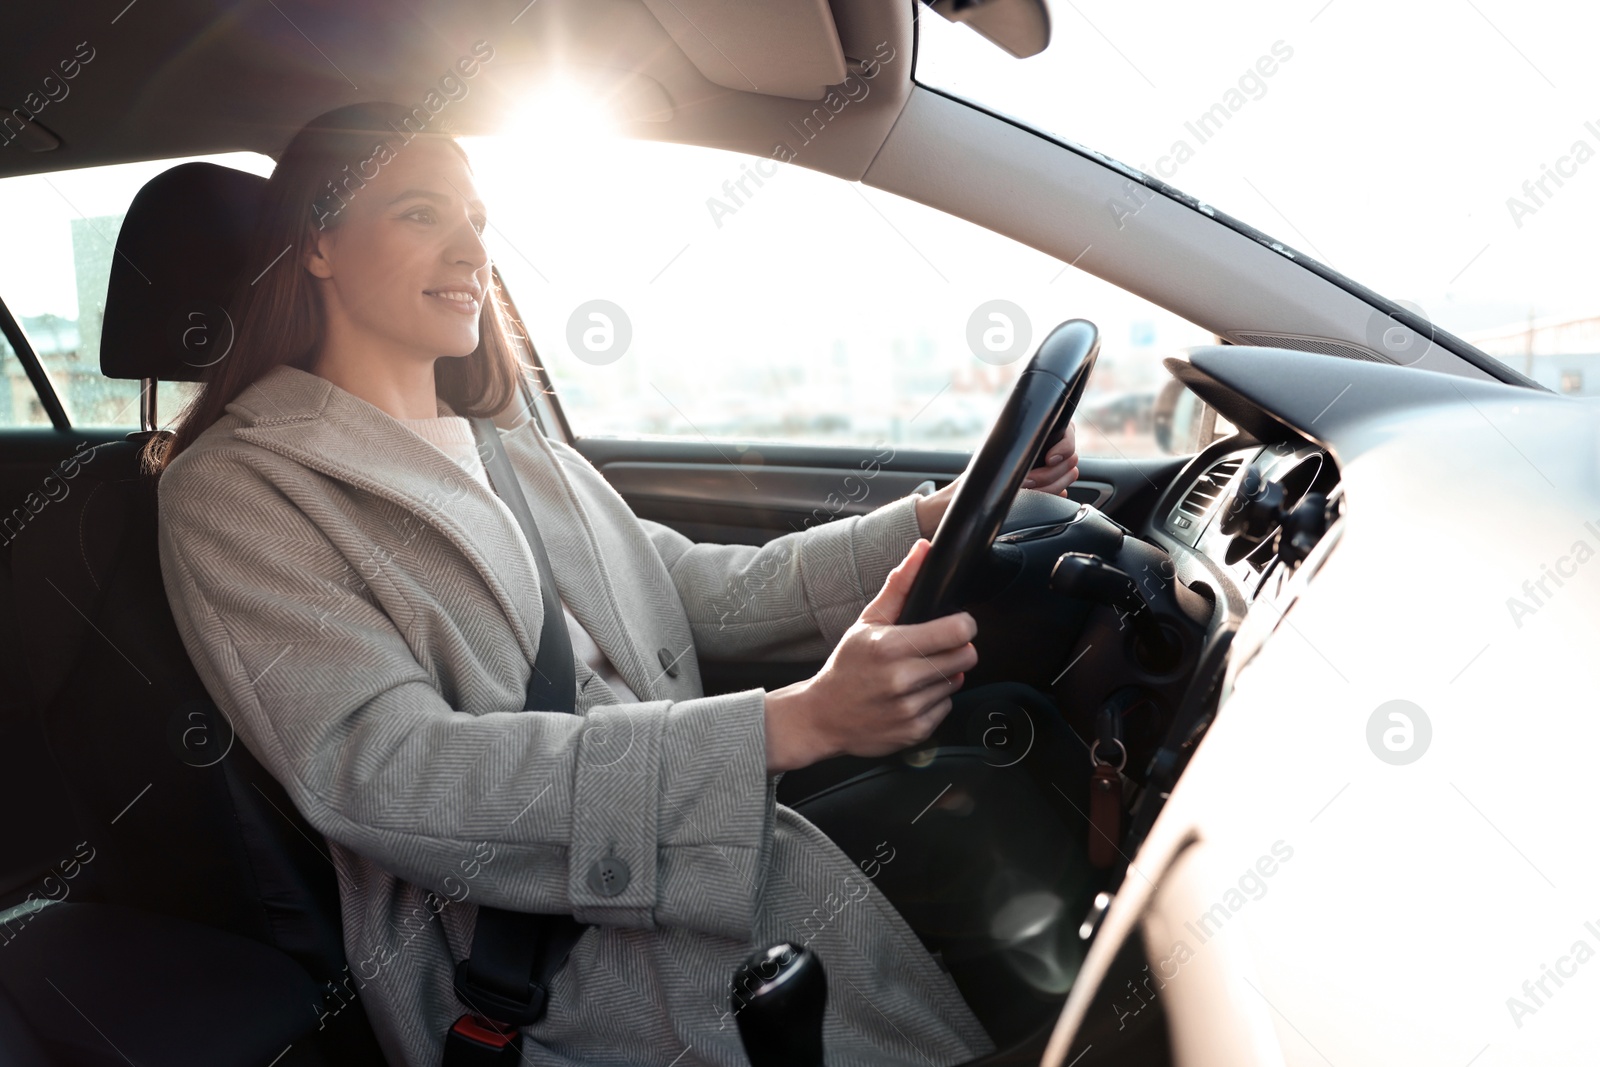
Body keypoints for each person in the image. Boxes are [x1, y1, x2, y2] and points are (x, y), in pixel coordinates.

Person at [151, 103, 1080, 1067]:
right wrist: (789, 724)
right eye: (422, 214)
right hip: (545, 953)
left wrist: (939, 516)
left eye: (476, 216)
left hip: (697, 855)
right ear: (318, 244)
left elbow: (690, 587)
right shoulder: (239, 486)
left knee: (1019, 762)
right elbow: (385, 770)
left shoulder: (512, 447)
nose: (474, 248)